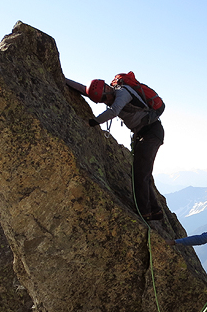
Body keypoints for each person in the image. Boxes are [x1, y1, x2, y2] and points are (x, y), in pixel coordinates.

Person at [65, 77, 164, 221]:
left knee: (140, 174)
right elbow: (84, 90)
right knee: (143, 172)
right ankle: (155, 211)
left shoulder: (123, 93)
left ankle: (144, 213)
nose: (105, 102)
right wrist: (63, 79)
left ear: (107, 89)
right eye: (102, 101)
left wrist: (93, 122)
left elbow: (114, 111)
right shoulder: (108, 93)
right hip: (147, 133)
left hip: (151, 133)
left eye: (104, 99)